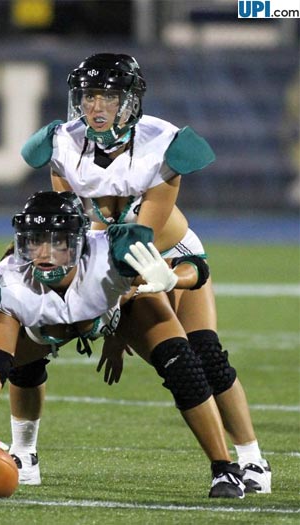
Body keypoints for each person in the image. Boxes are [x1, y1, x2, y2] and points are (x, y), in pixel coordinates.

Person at [20, 53, 270, 494]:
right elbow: (73, 232)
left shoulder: (163, 142)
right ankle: (25, 453)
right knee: (33, 337)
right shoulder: (63, 144)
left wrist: (114, 319)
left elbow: (142, 241)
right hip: (106, 260)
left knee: (206, 355)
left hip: (167, 257)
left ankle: (252, 461)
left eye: (110, 96)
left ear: (130, 101)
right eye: (89, 95)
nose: (96, 107)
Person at [0, 190, 245, 498]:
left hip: (131, 295)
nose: (44, 252)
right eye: (36, 240)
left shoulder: (114, 248)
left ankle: (233, 464)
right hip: (71, 313)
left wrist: (170, 282)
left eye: (55, 241)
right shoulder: (13, 277)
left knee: (184, 362)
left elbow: (194, 264)